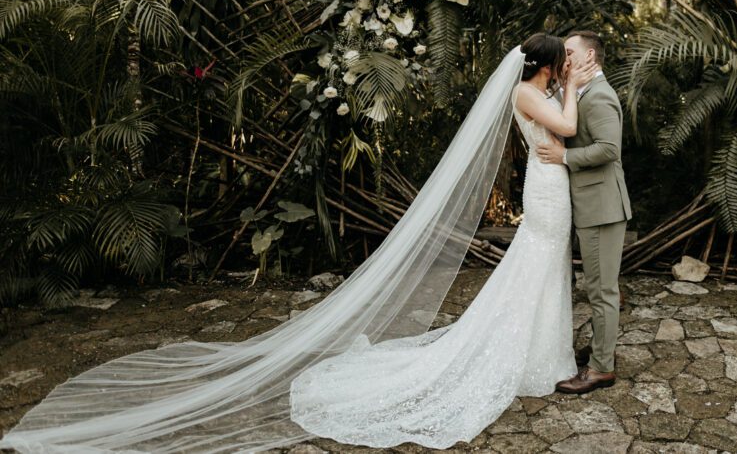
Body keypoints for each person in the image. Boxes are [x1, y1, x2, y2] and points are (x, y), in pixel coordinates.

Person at [0, 34, 605, 452]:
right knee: (534, 265)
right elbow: (570, 127)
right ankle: (523, 357)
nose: (569, 65)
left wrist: (572, 86)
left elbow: (566, 126)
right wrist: (574, 89)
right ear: (550, 66)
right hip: (546, 188)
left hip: (550, 182)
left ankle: (542, 358)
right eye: (565, 61)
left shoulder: (540, 89)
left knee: (543, 268)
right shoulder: (533, 93)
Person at [537, 31, 633, 394]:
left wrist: (564, 157)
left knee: (602, 291)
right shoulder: (581, 92)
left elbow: (609, 149)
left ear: (589, 55)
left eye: (569, 52)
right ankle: (600, 351)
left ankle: (600, 369)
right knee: (597, 287)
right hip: (593, 205)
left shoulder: (600, 96)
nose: (564, 58)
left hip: (603, 208)